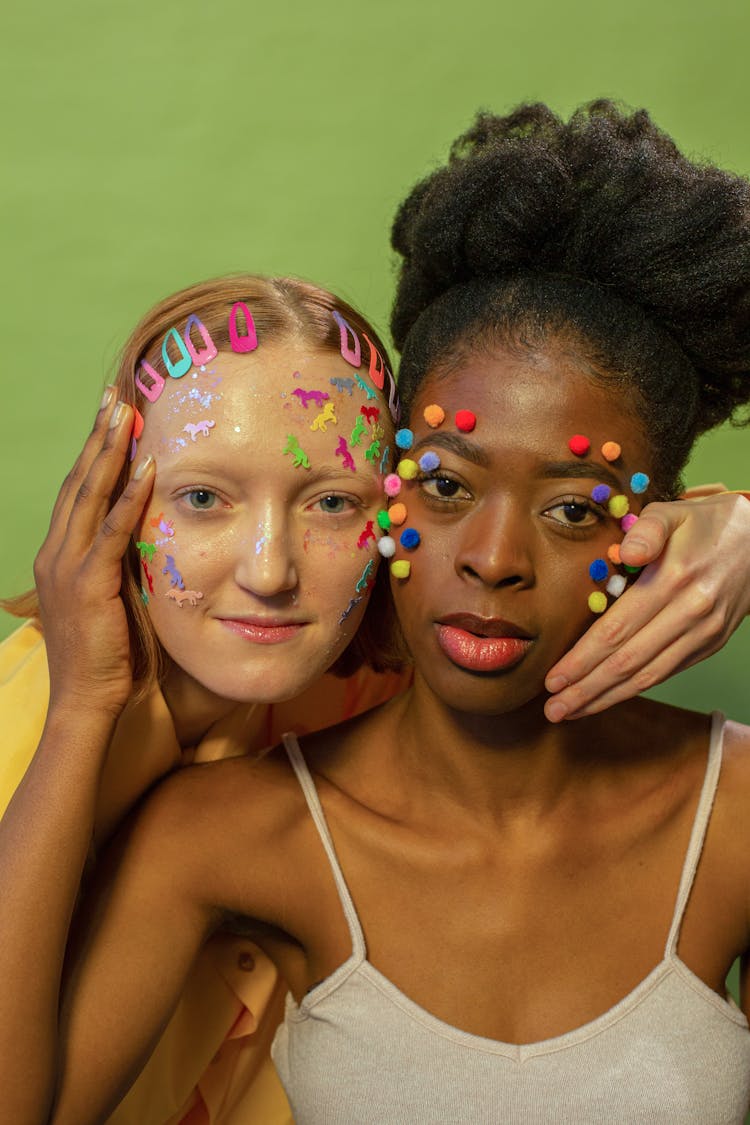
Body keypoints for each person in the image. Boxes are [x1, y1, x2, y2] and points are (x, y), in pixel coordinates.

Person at [3, 100, 750, 1123]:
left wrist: (741, 522)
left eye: (574, 510)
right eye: (445, 487)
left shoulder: (731, 806)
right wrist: (87, 702)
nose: (492, 559)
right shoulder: (204, 813)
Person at [0, 273, 407, 1125]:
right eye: (201, 498)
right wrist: (82, 710)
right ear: (115, 503)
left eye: (333, 502)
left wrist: (728, 525)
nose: (269, 571)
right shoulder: (28, 711)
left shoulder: (371, 699)